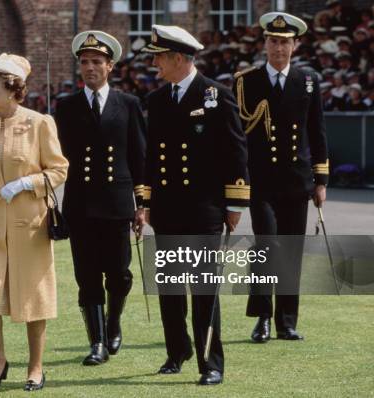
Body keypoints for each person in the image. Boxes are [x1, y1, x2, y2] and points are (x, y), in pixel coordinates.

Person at [141, 25, 250, 385]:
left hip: (204, 208)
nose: (154, 63)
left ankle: (211, 362)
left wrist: (235, 204)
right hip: (168, 208)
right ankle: (177, 352)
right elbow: (149, 159)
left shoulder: (215, 95)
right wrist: (145, 202)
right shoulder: (156, 100)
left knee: (204, 288)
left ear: (178, 58)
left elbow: (236, 152)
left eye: (159, 56)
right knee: (171, 287)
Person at [0, 53, 68, 392]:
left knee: (33, 299)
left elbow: (59, 170)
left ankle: (36, 368)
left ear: (12, 87)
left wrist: (26, 183)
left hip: (29, 226)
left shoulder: (39, 123)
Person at [234, 12, 329, 344]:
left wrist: (321, 181)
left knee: (291, 251)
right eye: (273, 41)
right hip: (261, 182)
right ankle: (261, 317)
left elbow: (316, 132)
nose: (278, 48)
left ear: (296, 45)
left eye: (285, 42)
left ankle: (286, 321)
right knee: (267, 247)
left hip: (296, 180)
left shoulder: (308, 81)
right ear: (265, 44)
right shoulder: (246, 81)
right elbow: (238, 136)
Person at [54, 30, 146, 366]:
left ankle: (113, 323)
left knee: (119, 273)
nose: (89, 68)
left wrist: (143, 204)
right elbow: (55, 158)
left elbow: (139, 157)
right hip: (81, 204)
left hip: (117, 203)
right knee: (87, 275)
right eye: (84, 62)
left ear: (110, 66)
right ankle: (96, 343)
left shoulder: (129, 104)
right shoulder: (66, 106)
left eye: (96, 62)